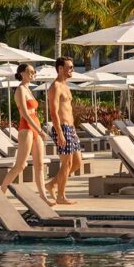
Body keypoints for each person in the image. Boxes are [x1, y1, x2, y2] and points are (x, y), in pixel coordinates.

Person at [0, 63, 51, 202]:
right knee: (21, 165)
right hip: (27, 128)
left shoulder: (29, 90)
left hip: (35, 126)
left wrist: (39, 130)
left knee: (39, 164)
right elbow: (24, 113)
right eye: (30, 72)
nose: (33, 74)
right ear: (22, 73)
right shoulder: (20, 90)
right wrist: (40, 130)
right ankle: (2, 191)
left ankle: (43, 197)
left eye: (34, 72)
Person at [47, 56, 81, 205]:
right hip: (62, 127)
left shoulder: (66, 86)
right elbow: (53, 112)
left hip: (71, 128)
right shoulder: (55, 87)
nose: (72, 69)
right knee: (66, 163)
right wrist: (59, 132)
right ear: (60, 69)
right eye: (70, 67)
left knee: (77, 162)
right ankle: (61, 196)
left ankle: (52, 184)